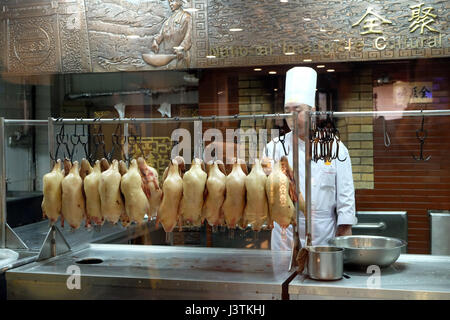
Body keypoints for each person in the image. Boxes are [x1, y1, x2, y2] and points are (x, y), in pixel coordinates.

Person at [266, 67, 357, 251]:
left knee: (321, 276)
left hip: (323, 232)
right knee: (284, 278)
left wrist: (345, 229)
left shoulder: (335, 147)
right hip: (284, 231)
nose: (291, 116)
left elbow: (346, 195)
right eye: (287, 110)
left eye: (297, 110)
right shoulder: (273, 148)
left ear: (312, 111)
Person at [151, 0, 192, 68]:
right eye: (169, 2)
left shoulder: (186, 16)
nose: (170, 4)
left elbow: (188, 36)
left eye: (172, 1)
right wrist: (155, 42)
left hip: (180, 55)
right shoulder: (168, 20)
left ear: (179, 2)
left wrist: (181, 48)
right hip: (168, 55)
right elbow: (161, 34)